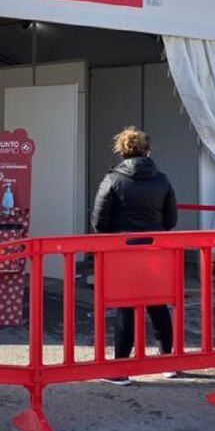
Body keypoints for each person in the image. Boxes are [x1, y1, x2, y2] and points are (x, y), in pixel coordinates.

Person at [90, 126, 178, 386]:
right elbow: (171, 220)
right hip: (155, 249)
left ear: (122, 151)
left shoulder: (112, 179)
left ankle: (120, 369)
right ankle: (167, 363)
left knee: (125, 306)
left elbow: (98, 221)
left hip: (123, 250)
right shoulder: (162, 179)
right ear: (147, 150)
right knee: (158, 303)